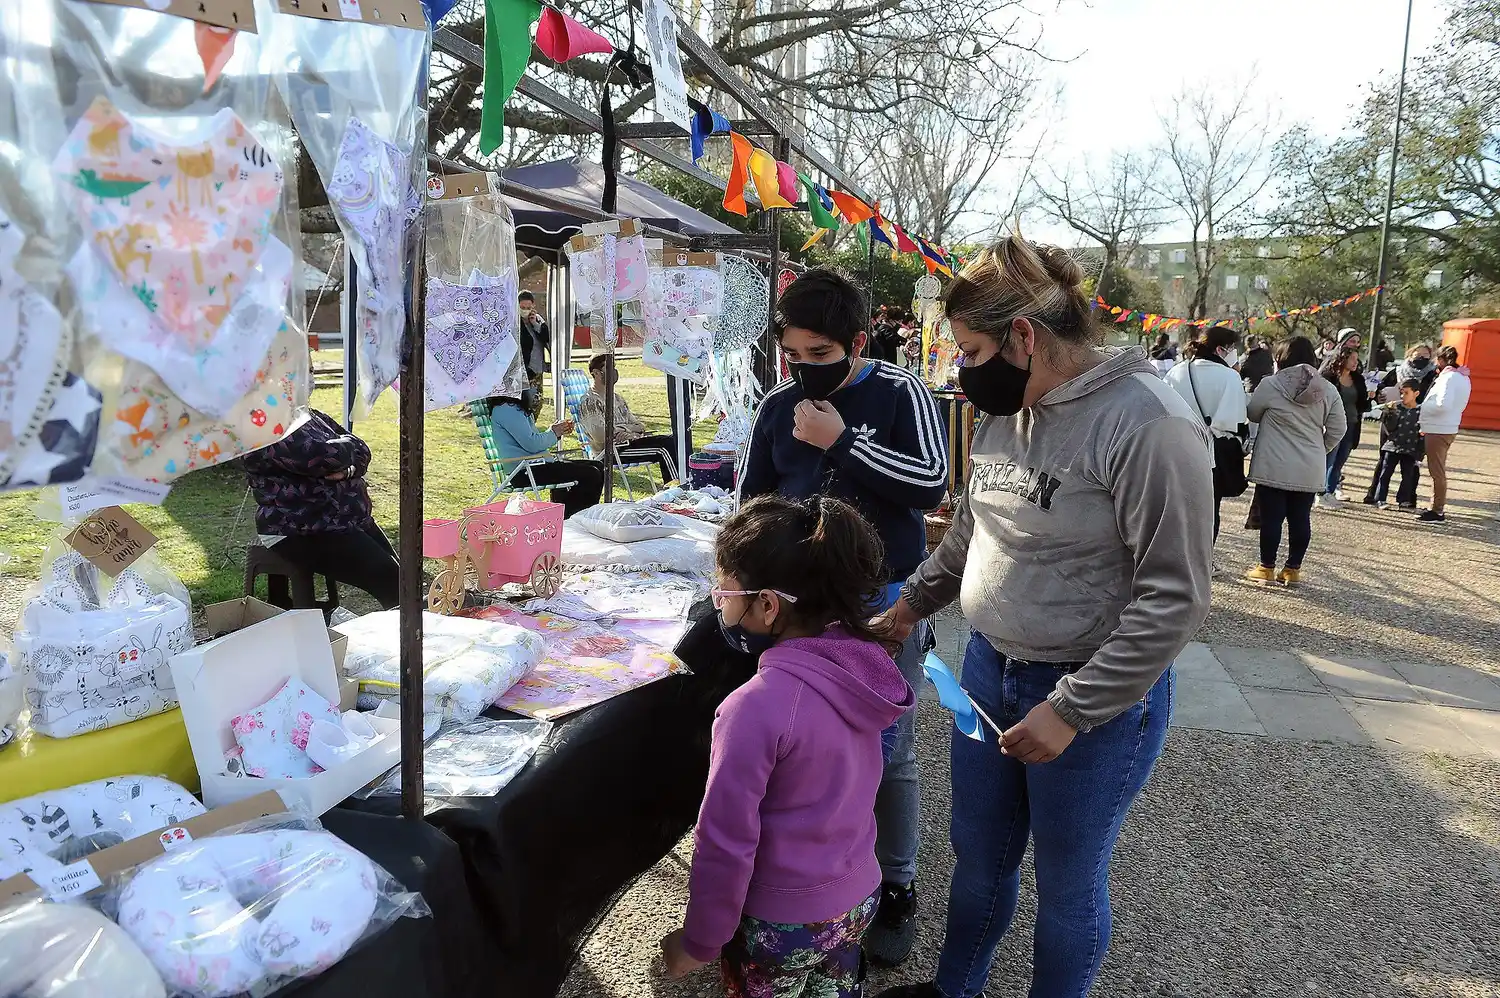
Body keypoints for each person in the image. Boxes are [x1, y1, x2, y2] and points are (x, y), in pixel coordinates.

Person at [871, 236, 1213, 998]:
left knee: (1067, 881)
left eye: (972, 350)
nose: (962, 369)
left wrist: (1074, 709)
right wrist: (912, 603)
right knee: (977, 857)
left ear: (1025, 337)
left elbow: (1176, 596)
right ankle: (953, 990)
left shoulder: (1148, 422)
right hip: (990, 671)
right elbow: (972, 527)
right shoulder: (1007, 409)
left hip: (1090, 701)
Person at [737, 268, 947, 967]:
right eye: (794, 355)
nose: (805, 370)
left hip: (882, 600)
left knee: (888, 752)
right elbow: (750, 502)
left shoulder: (900, 391)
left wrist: (842, 442)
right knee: (800, 754)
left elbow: (931, 483)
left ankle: (896, 886)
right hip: (798, 609)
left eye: (820, 356)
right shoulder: (777, 404)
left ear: (856, 342)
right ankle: (805, 887)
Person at [659, 494, 914, 996]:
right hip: (858, 898)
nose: (719, 605)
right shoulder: (865, 672)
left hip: (780, 924)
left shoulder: (753, 708)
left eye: (725, 594)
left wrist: (701, 940)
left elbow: (725, 839)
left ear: (768, 605)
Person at [243, 409, 399, 609]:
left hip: (347, 519)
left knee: (403, 579)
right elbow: (319, 458)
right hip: (301, 528)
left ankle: (411, 634)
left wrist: (348, 469)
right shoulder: (264, 425)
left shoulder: (310, 415)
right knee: (393, 582)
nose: (307, 379)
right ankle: (409, 637)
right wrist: (349, 448)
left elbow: (363, 452)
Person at [1243, 337, 1345, 585]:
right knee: (1300, 518)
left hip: (1273, 464)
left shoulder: (1271, 384)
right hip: (1309, 466)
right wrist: (1321, 449)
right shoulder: (1327, 389)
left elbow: (1252, 413)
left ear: (1280, 358)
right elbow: (1338, 428)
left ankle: (1266, 567)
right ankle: (1292, 569)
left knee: (1272, 519)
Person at [1164, 327, 1249, 541]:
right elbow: (1236, 420)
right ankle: (1204, 560)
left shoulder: (1177, 371)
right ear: (1220, 349)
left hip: (1177, 447)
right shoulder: (1230, 376)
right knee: (1210, 509)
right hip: (1213, 453)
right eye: (1232, 348)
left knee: (1178, 507)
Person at [482, 392, 602, 516]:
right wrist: (554, 433)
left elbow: (532, 440)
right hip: (524, 471)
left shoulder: (510, 408)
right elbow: (532, 444)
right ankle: (573, 519)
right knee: (591, 474)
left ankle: (567, 516)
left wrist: (555, 431)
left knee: (597, 465)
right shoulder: (507, 410)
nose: (530, 387)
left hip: (534, 465)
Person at [578, 353, 678, 483]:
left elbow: (640, 426)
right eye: (609, 367)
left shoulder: (617, 398)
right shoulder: (590, 402)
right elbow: (600, 435)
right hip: (611, 452)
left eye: (614, 367)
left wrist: (626, 431)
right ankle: (676, 487)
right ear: (596, 373)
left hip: (629, 443)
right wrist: (624, 432)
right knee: (664, 448)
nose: (614, 371)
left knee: (673, 440)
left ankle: (682, 483)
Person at [1417, 344, 1473, 523]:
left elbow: (1443, 404)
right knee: (1438, 469)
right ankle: (1436, 505)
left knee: (1437, 471)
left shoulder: (1448, 378)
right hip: (1448, 426)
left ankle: (1437, 510)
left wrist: (1423, 407)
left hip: (1438, 427)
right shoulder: (1462, 377)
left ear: (1441, 360)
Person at [1318, 346, 1372, 508]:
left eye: (1357, 359)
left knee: (1339, 461)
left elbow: (1363, 405)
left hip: (1351, 424)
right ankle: (1319, 493)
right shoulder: (1328, 378)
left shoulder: (1358, 379)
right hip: (1332, 424)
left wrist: (1370, 398)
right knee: (1328, 459)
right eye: (1352, 359)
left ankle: (1330, 491)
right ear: (1342, 359)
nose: (1356, 362)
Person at [1362, 379, 1424, 510]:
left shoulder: (1421, 411)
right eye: (1401, 393)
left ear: (1416, 394)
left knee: (1408, 475)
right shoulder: (1396, 408)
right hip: (1392, 447)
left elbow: (1422, 433)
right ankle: (1380, 498)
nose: (1402, 396)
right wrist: (1389, 413)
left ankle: (1404, 500)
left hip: (1410, 448)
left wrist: (1420, 452)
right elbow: (1390, 428)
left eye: (1406, 393)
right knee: (1385, 474)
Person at [518, 290, 550, 408]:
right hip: (524, 369)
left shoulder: (538, 320)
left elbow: (547, 337)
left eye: (528, 307)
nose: (525, 310)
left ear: (533, 306)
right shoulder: (515, 322)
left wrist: (535, 324)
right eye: (522, 307)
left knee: (537, 402)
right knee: (524, 403)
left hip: (537, 368)